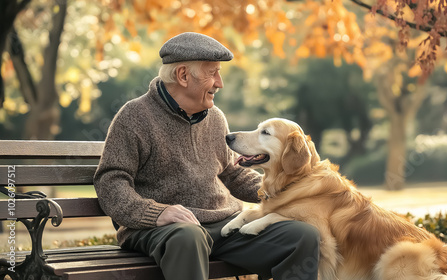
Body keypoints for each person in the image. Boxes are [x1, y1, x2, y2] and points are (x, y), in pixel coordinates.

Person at [93, 32, 320, 280]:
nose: (219, 83)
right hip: (162, 230)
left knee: (301, 236)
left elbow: (232, 174)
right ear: (183, 75)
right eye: (213, 73)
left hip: (222, 226)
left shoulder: (215, 118)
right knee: (188, 237)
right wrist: (157, 213)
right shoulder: (134, 116)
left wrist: (287, 192)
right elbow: (111, 181)